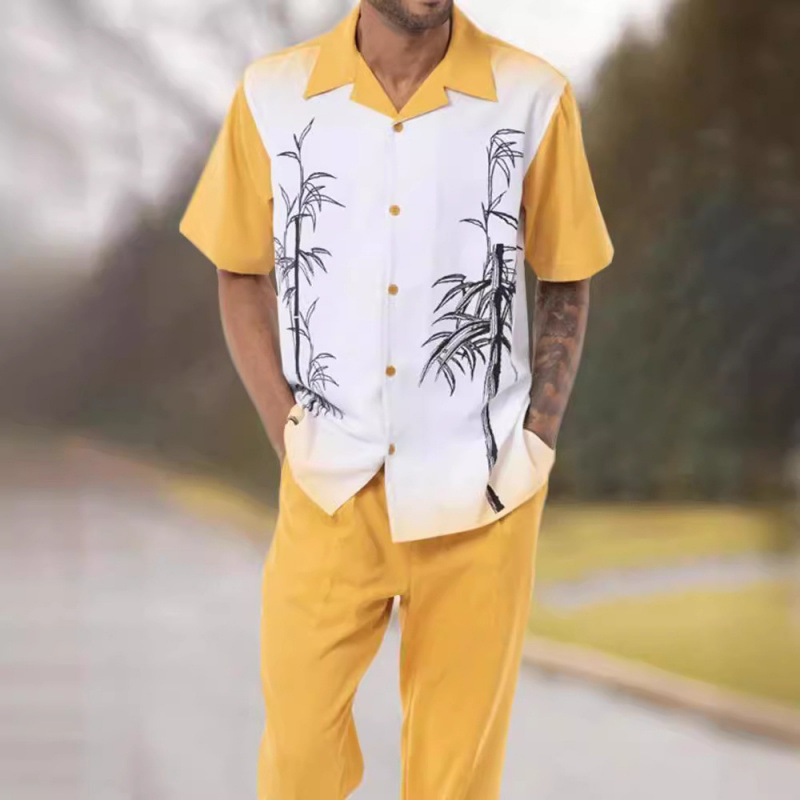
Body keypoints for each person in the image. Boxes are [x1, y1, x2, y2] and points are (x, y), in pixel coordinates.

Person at [179, 1, 613, 797]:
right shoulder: (271, 95)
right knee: (298, 764)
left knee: (454, 781)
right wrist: (286, 429)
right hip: (329, 488)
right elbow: (239, 269)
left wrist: (536, 441)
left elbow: (568, 274)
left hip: (482, 498)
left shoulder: (534, 97)